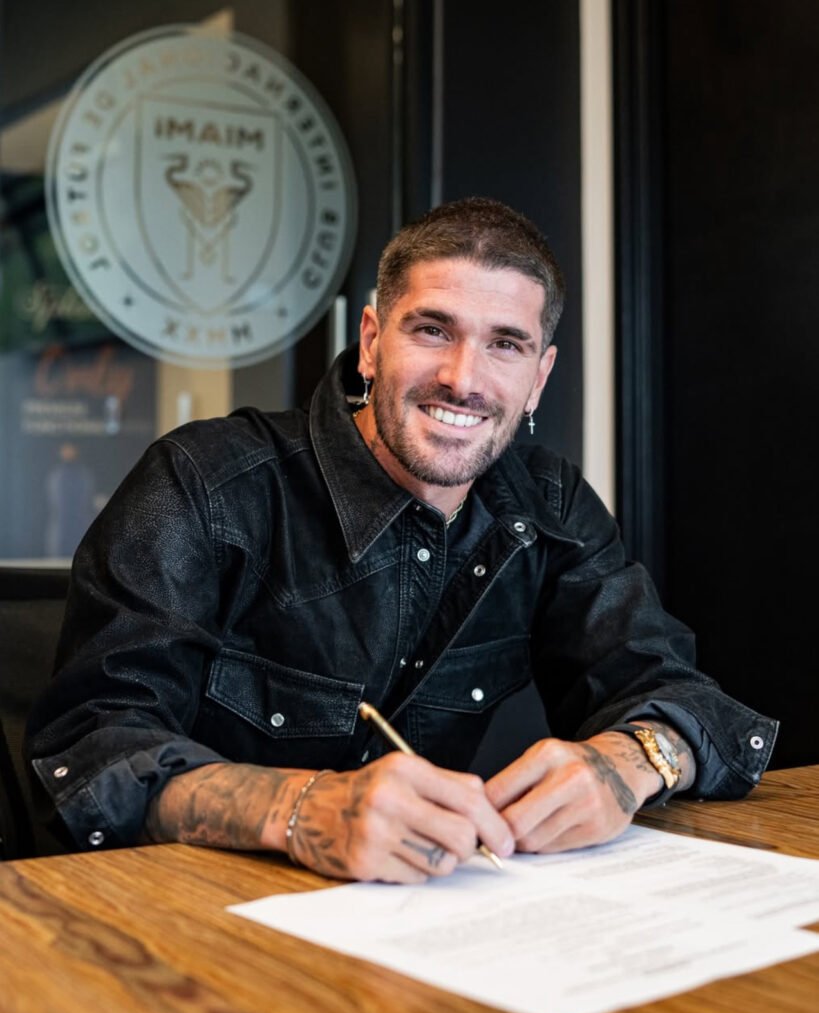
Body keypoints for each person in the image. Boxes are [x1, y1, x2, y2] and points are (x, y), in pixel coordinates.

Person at [26, 198, 776, 883]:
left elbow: (679, 696)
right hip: (174, 921)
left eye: (505, 345)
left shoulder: (548, 503)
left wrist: (630, 760)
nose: (462, 378)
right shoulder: (206, 481)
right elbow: (91, 752)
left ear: (539, 377)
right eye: (431, 330)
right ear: (371, 340)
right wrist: (300, 809)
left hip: (417, 928)